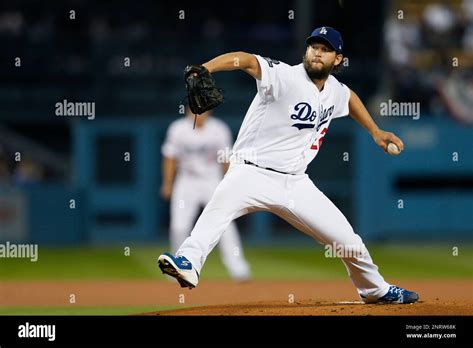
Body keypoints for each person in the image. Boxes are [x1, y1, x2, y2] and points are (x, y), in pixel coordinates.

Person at [158, 26, 419, 304]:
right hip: (250, 172)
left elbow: (350, 98)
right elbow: (245, 59)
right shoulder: (284, 75)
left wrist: (375, 131)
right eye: (313, 47)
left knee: (347, 241)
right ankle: (188, 262)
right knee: (214, 215)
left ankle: (375, 290)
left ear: (338, 59)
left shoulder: (333, 90)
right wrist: (206, 68)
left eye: (325, 49)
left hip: (295, 182)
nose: (317, 52)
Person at [160, 107, 251, 282]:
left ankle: (238, 268)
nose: (199, 114)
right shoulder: (178, 129)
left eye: (202, 111)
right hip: (186, 181)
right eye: (195, 110)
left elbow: (226, 160)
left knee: (225, 225)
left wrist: (231, 185)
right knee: (179, 226)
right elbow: (170, 157)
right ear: (188, 111)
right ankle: (178, 268)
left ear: (208, 112)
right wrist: (168, 183)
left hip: (212, 181)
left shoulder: (219, 129)